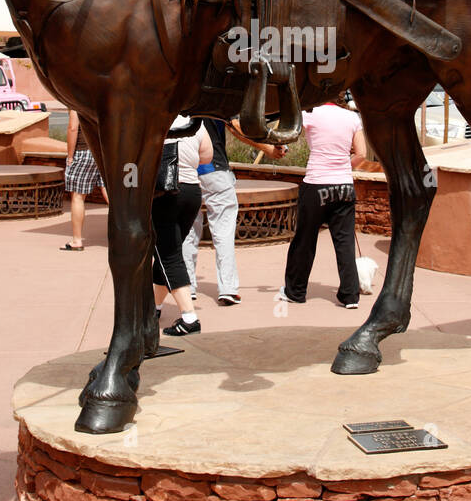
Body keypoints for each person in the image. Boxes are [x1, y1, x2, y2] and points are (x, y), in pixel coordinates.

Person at [183, 117, 286, 306]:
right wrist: (267, 148)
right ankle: (228, 289)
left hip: (186, 171)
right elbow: (236, 126)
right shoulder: (216, 100)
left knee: (187, 233)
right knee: (223, 232)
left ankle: (186, 287)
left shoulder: (180, 99)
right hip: (215, 170)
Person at [279, 94, 367, 308]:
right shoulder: (352, 117)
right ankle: (350, 296)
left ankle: (295, 291)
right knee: (344, 242)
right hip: (344, 186)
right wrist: (344, 166)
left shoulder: (310, 113)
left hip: (317, 183)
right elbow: (362, 154)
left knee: (305, 241)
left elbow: (289, 135)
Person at [155, 120, 214, 336]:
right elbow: (207, 156)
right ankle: (154, 308)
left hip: (165, 192)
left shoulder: (156, 114)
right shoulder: (195, 122)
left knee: (169, 255)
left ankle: (189, 318)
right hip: (191, 192)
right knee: (165, 252)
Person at [61, 110, 108, 250]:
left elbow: (73, 128)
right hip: (104, 151)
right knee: (108, 191)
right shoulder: (100, 96)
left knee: (77, 196)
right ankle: (128, 232)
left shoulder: (75, 99)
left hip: (84, 151)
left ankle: (76, 241)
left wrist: (70, 156)